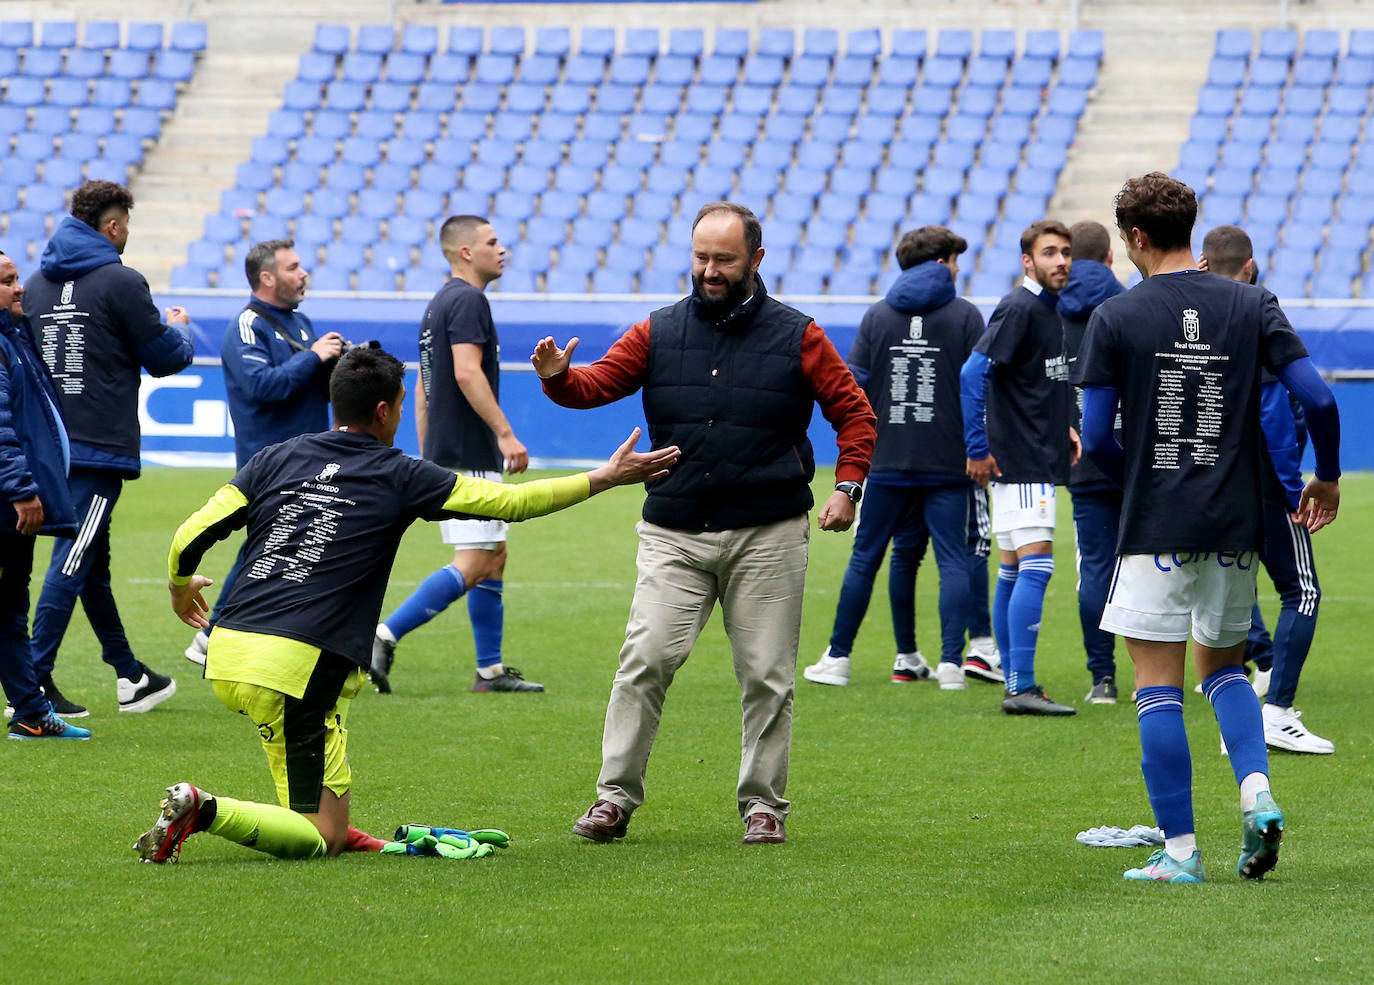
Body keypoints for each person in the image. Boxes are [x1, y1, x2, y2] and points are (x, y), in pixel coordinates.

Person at [135, 347, 679, 863]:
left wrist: (180, 585)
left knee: (317, 816)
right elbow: (512, 502)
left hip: (230, 650)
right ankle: (203, 808)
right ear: (383, 410)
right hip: (299, 665)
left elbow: (191, 533)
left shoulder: (277, 457)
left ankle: (305, 821)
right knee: (322, 838)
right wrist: (605, 477)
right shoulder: (399, 473)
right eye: (400, 404)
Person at [533, 202, 876, 846]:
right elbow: (595, 385)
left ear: (756, 259)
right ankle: (612, 799)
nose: (710, 271)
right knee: (644, 661)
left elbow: (854, 413)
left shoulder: (799, 335)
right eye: (701, 258)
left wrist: (848, 486)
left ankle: (763, 806)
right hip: (675, 532)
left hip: (769, 533)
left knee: (767, 676)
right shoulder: (657, 330)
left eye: (724, 259)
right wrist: (559, 379)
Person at [1075, 172, 1341, 884]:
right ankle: (1257, 794)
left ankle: (1182, 851)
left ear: (1135, 237)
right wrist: (1327, 475)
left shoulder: (1116, 316)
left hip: (1156, 522)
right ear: (1189, 227)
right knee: (1223, 668)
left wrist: (1140, 479)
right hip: (1235, 522)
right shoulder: (1252, 302)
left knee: (1156, 684)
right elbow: (1319, 399)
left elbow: (1096, 437)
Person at [23, 180, 194, 715]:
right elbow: (166, 357)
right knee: (72, 561)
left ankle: (130, 675)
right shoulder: (121, 281)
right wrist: (180, 330)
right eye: (127, 226)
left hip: (49, 446)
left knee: (91, 563)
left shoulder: (35, 284)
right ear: (113, 226)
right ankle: (31, 687)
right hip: (98, 450)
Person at [801, 225, 986, 690]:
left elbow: (855, 388)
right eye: (954, 261)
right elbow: (980, 387)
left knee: (868, 559)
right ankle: (951, 665)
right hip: (948, 463)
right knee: (953, 560)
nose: (958, 269)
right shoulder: (966, 315)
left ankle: (839, 658)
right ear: (941, 262)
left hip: (886, 461)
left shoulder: (878, 315)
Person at [371, 216, 539, 694]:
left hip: (449, 450)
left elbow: (423, 389)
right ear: (466, 252)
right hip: (470, 452)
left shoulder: (439, 303)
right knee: (477, 560)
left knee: (494, 555)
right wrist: (505, 433)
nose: (502, 249)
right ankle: (382, 636)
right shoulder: (468, 301)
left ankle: (490, 672)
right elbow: (466, 372)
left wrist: (429, 454)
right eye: (492, 241)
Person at [1200, 224, 1332, 754]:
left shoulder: (1187, 315)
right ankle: (1275, 712)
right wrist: (1293, 487)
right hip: (1262, 481)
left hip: (1208, 484)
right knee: (1302, 592)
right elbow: (1285, 406)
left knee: (1229, 593)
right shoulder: (1258, 310)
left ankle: (1236, 719)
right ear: (1250, 266)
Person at [183, 238, 344, 666]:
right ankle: (214, 634)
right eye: (294, 267)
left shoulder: (301, 321)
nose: (303, 273)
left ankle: (264, 634)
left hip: (310, 456)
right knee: (268, 547)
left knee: (291, 546)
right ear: (267, 277)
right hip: (271, 459)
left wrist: (339, 365)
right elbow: (261, 386)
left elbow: (312, 384)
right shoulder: (247, 325)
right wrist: (313, 357)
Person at [959, 220, 1080, 716]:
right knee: (1036, 567)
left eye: (1066, 252)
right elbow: (973, 373)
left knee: (1011, 569)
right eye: (1049, 252)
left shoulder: (1047, 307)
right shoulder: (1021, 306)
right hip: (1024, 460)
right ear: (1027, 261)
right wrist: (976, 446)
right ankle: (1023, 685)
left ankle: (1015, 681)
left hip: (1030, 453)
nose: (1061, 261)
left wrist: (1063, 425)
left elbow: (1033, 382)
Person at [0, 252, 89, 740]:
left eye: (17, 278)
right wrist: (20, 489)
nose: (20, 288)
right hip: (8, 504)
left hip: (12, 506)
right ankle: (32, 710)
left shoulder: (14, 337)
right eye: (8, 281)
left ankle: (32, 712)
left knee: (10, 610)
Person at [1060, 221, 1127, 704]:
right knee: (1163, 564)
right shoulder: (1131, 306)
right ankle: (1159, 674)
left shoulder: (1050, 312)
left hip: (1081, 457)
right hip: (1137, 457)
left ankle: (1102, 677)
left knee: (1096, 569)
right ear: (1109, 257)